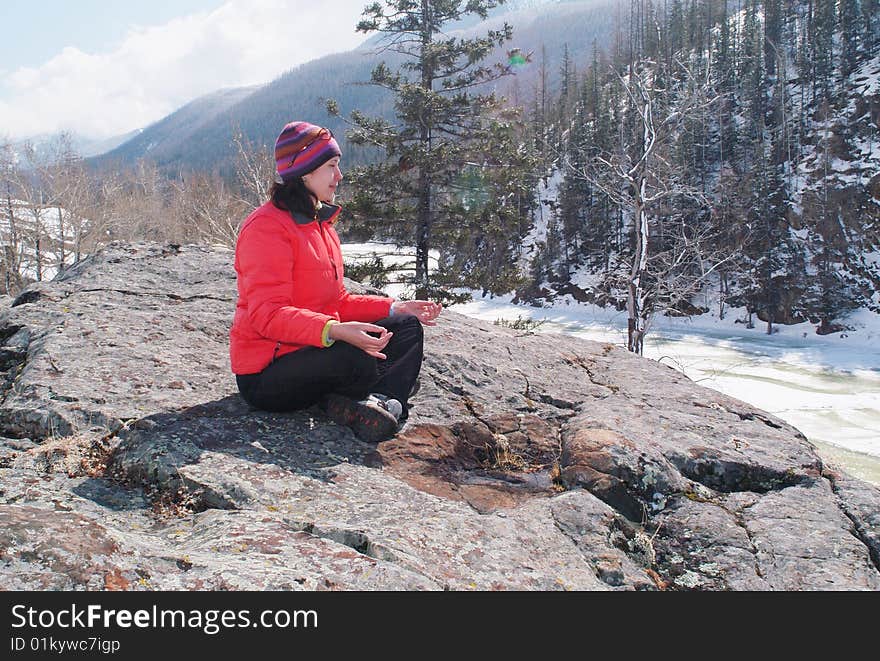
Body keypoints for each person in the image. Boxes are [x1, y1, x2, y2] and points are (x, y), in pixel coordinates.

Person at [230, 120, 442, 442]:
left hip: (314, 349)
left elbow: (337, 301)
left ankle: (382, 403)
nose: (339, 177)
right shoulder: (266, 229)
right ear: (305, 172)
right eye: (332, 166)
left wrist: (395, 306)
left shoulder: (320, 225)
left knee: (405, 326)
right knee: (353, 355)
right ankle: (374, 394)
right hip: (268, 373)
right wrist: (334, 330)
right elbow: (266, 315)